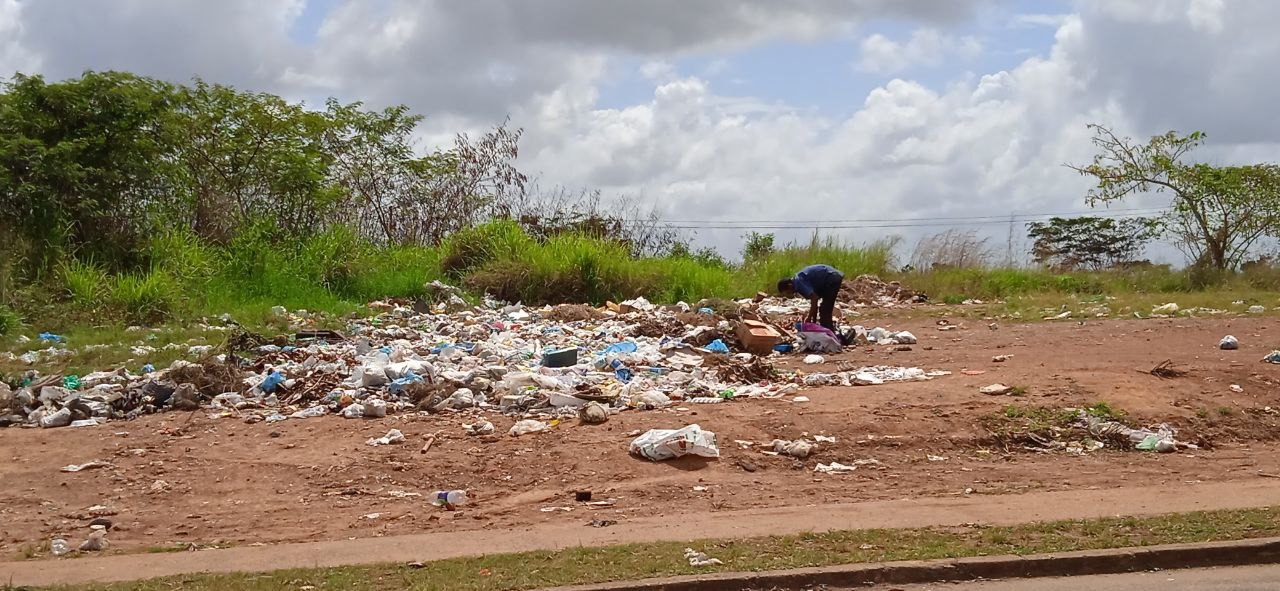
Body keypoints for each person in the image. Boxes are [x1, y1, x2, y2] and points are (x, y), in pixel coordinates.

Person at [777, 264, 844, 331]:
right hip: (829, 279)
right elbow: (815, 302)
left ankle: (829, 335)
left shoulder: (799, 283)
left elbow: (814, 299)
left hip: (831, 278)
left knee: (825, 311)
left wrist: (809, 317)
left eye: (788, 292)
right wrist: (813, 321)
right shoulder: (799, 282)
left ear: (789, 286)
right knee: (824, 310)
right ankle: (828, 331)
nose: (790, 294)